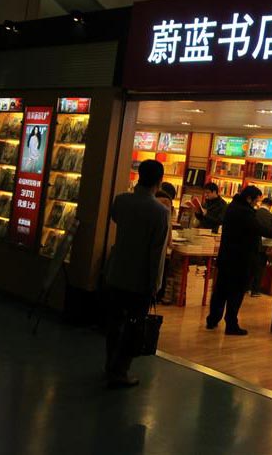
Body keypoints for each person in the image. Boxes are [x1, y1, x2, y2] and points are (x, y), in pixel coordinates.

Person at [103, 159, 169, 388]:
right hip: (139, 279)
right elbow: (157, 253)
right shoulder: (160, 212)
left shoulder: (121, 201)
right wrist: (155, 284)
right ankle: (121, 371)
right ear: (160, 181)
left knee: (114, 324)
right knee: (133, 326)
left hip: (116, 271)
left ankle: (109, 364)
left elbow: (115, 219)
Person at [206, 186, 272, 335]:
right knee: (236, 293)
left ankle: (212, 319)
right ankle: (231, 324)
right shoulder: (245, 212)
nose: (257, 204)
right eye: (256, 201)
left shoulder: (231, 207)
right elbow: (258, 228)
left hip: (226, 257)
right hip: (240, 260)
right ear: (249, 198)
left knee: (220, 291)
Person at [250, 197, 272, 297]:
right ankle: (255, 290)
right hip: (263, 247)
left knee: (249, 267)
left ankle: (245, 287)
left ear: (261, 203)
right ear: (270, 206)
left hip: (250, 245)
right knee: (259, 269)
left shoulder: (253, 213)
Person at [155, 182, 177, 303]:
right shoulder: (166, 201)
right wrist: (170, 242)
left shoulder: (154, 198)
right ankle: (159, 295)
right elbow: (168, 225)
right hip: (161, 243)